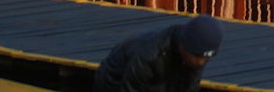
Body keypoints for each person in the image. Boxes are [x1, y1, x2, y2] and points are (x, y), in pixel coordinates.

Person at [91, 15, 223, 92]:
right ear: (184, 47)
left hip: (160, 78)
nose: (201, 62)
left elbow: (190, 87)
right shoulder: (149, 56)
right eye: (197, 57)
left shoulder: (197, 53)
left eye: (206, 58)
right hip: (113, 81)